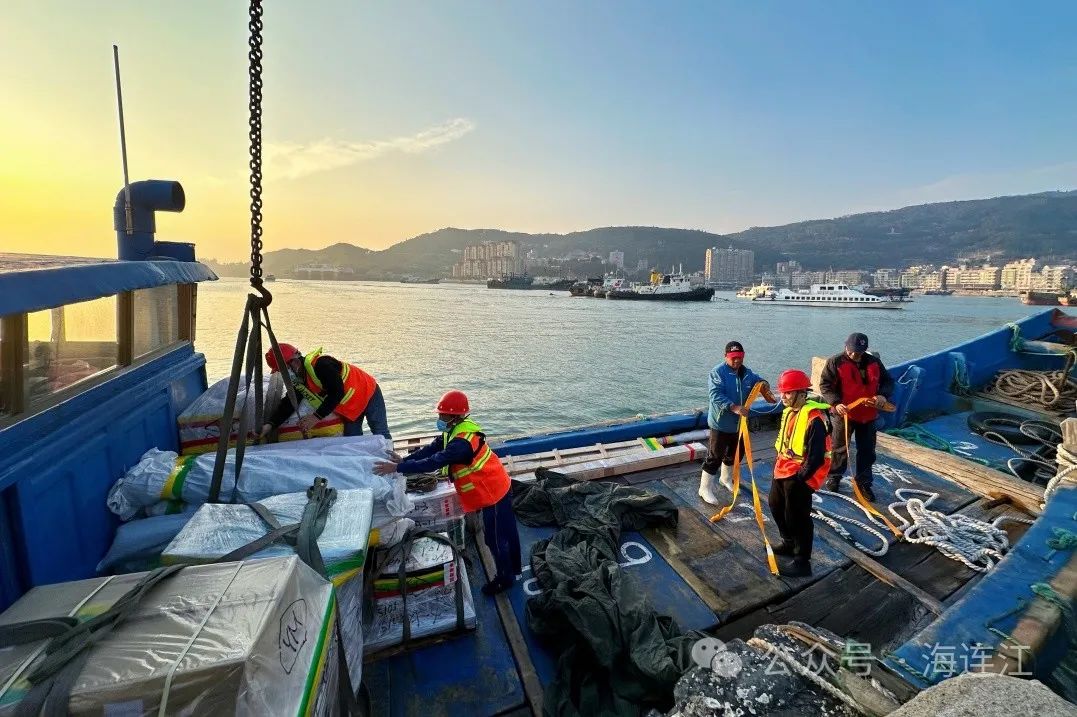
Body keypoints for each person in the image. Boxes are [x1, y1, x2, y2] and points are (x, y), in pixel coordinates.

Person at [373, 390, 521, 596]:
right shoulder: (459, 430)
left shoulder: (460, 443)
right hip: (498, 483)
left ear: (453, 416)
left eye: (442, 415)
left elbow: (435, 461)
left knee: (495, 539)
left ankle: (504, 579)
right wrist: (405, 460)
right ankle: (514, 568)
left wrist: (398, 469)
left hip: (492, 493)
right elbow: (433, 447)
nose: (439, 418)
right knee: (507, 531)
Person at [770, 369, 832, 578]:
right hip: (783, 468)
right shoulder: (790, 412)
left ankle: (802, 561)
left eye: (787, 393)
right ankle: (788, 543)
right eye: (783, 393)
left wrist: (800, 479)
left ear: (801, 393)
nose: (783, 397)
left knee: (798, 516)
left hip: (800, 474)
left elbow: (816, 457)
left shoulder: (814, 420)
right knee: (776, 506)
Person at [818, 332, 894, 502]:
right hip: (844, 413)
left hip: (868, 415)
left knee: (867, 450)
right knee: (839, 447)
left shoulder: (874, 362)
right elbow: (825, 385)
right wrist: (836, 403)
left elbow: (888, 381)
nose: (853, 355)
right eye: (851, 351)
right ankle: (835, 476)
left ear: (865, 350)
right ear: (846, 347)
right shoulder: (835, 362)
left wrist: (883, 395)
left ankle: (864, 483)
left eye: (858, 352)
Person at [699, 340, 777, 504]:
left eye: (740, 357)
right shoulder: (717, 372)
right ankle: (704, 488)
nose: (737, 361)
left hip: (740, 424)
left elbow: (760, 381)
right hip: (721, 423)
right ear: (726, 356)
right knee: (714, 456)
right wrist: (733, 407)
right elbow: (715, 395)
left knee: (736, 454)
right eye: (733, 357)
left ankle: (726, 478)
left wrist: (766, 388)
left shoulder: (747, 373)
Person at [260, 343, 391, 439]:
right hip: (352, 407)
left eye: (284, 370)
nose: (284, 374)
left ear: (294, 362)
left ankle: (391, 469)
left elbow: (337, 392)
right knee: (352, 439)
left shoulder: (321, 365)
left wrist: (315, 417)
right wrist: (270, 425)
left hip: (368, 393)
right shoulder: (300, 380)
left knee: (380, 432)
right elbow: (289, 403)